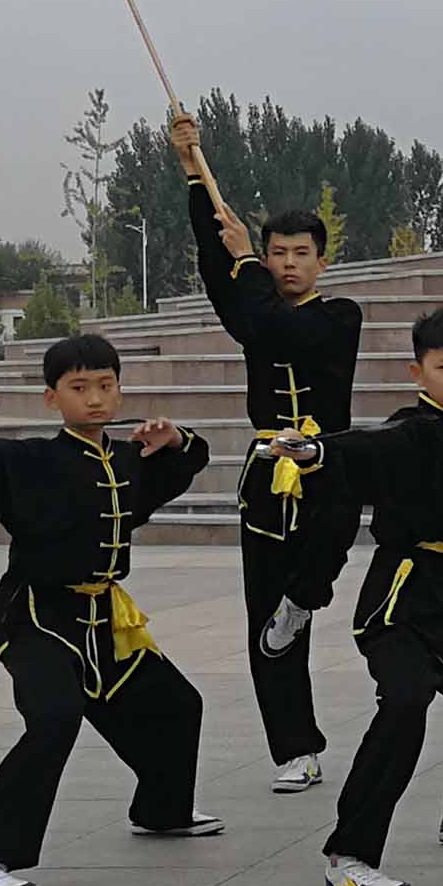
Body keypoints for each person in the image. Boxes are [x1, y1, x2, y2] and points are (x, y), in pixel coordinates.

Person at [0, 335, 218, 886]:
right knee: (55, 718)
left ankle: (162, 810)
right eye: (79, 388)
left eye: (105, 385)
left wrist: (176, 438)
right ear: (52, 398)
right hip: (35, 615)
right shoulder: (31, 460)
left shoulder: (129, 460)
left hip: (104, 619)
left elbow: (187, 462)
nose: (95, 399)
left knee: (178, 705)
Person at [262, 306, 443, 886]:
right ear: (418, 373)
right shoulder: (412, 430)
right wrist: (313, 453)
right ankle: (348, 857)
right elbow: (365, 448)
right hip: (401, 602)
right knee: (406, 703)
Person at [172, 114, 363, 800]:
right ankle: (296, 748)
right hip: (266, 472)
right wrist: (194, 174)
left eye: (298, 253)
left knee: (318, 567)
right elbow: (220, 274)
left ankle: (305, 598)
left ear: (321, 261)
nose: (286, 263)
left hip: (326, 463)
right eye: (275, 253)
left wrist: (246, 262)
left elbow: (285, 330)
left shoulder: (340, 316)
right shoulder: (254, 308)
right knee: (266, 618)